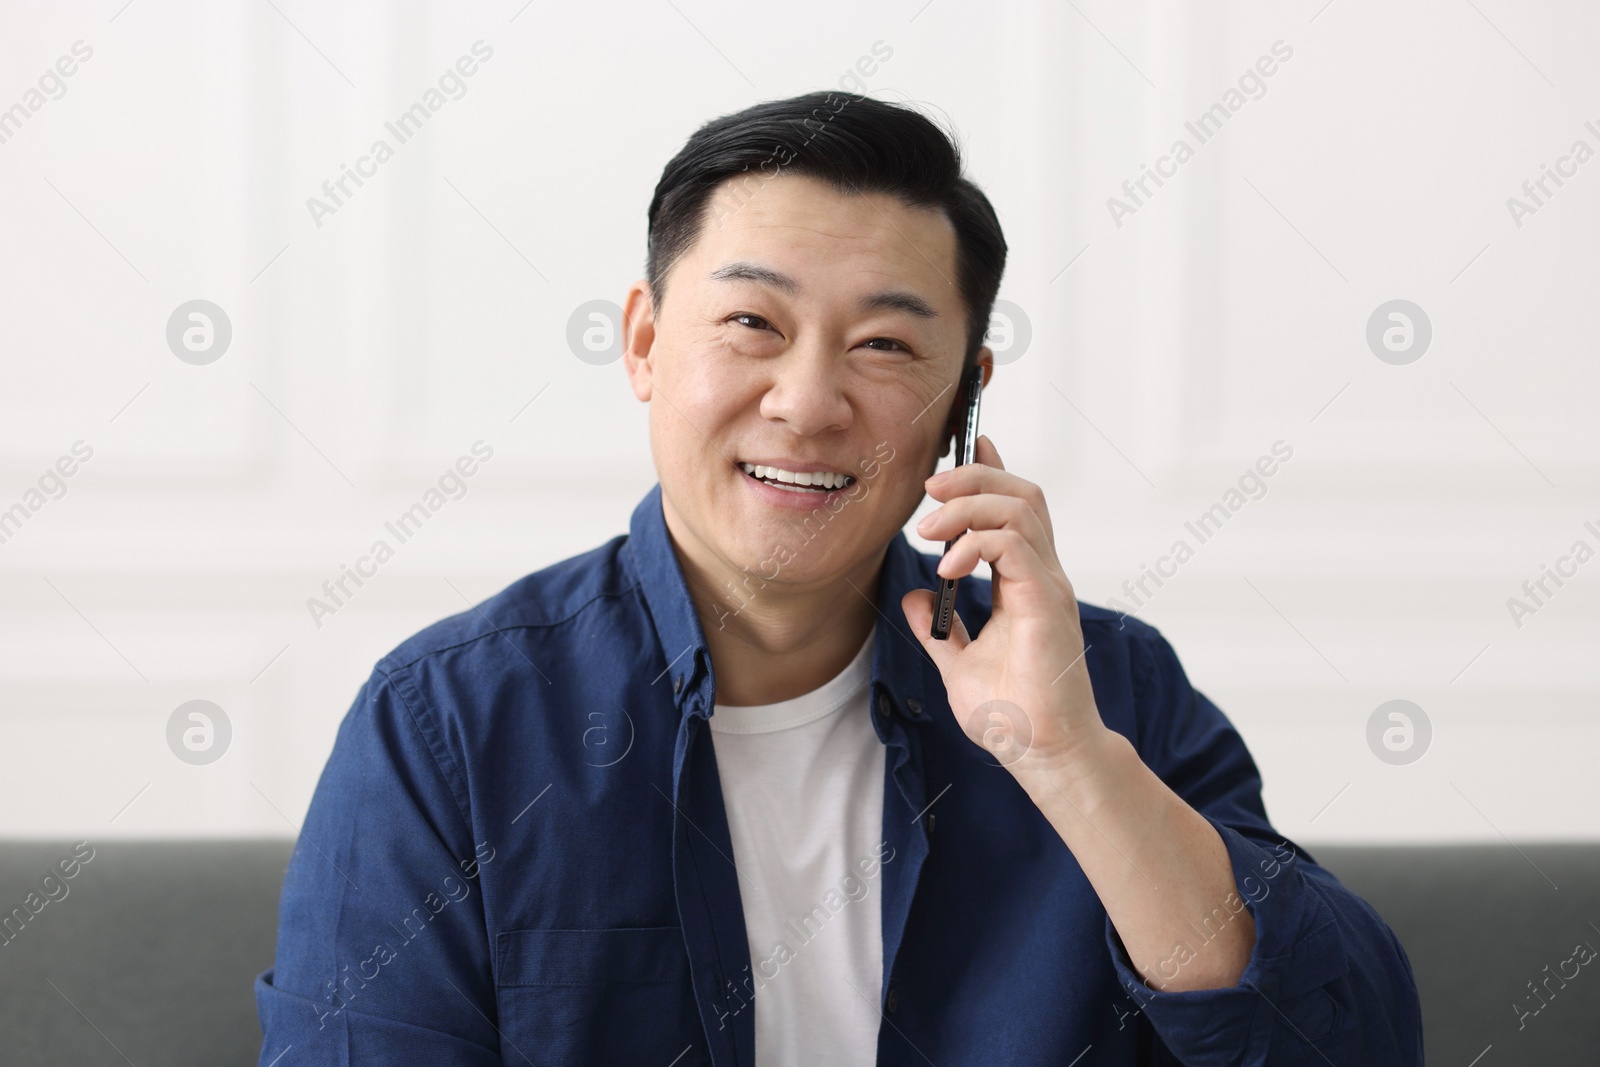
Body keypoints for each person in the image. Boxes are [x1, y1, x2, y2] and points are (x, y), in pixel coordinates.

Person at [255, 90, 1423, 1066]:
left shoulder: (1106, 685)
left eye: (884, 345)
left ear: (963, 396)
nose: (808, 404)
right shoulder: (449, 723)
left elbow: (1347, 1042)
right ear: (648, 344)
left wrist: (1069, 762)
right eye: (752, 323)